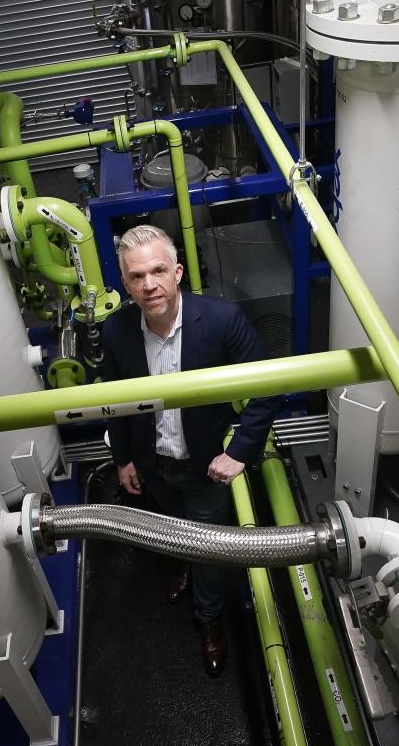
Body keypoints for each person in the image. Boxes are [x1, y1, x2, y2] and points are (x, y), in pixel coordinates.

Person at [102, 224, 280, 677]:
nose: (149, 285)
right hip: (151, 464)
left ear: (177, 272)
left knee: (207, 550)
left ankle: (208, 619)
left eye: (158, 271)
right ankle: (179, 562)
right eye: (137, 276)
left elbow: (268, 385)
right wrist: (123, 458)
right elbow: (114, 401)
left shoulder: (221, 321)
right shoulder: (117, 331)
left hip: (205, 467)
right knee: (169, 523)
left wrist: (239, 450)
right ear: (125, 284)